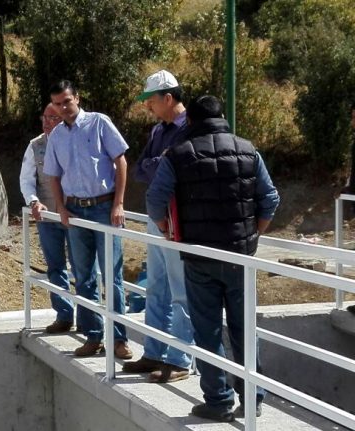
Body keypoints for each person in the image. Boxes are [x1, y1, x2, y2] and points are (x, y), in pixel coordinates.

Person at [146, 95, 280, 422]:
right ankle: (252, 398)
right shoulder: (249, 150)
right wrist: (254, 236)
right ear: (223, 117)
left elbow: (155, 199)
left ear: (189, 121)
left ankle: (218, 402)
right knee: (244, 329)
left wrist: (166, 229)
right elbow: (270, 199)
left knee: (206, 331)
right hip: (240, 258)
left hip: (199, 257)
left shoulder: (178, 155)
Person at [43, 80, 132, 359]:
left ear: (77, 99)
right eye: (57, 104)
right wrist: (61, 208)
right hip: (76, 211)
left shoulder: (99, 123)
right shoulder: (56, 136)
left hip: (104, 208)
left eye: (66, 101)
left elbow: (121, 162)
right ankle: (94, 336)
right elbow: (53, 176)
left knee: (112, 276)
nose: (63, 108)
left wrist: (118, 203)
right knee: (83, 277)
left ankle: (119, 339)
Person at [123, 70, 194, 383]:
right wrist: (160, 162)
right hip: (158, 216)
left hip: (179, 219)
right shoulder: (157, 132)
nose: (147, 106)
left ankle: (180, 358)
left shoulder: (191, 129)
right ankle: (154, 352)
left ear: (168, 98)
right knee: (156, 287)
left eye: (150, 100)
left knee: (180, 290)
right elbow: (142, 169)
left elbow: (175, 169)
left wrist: (160, 164)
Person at [20, 103, 75, 333]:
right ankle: (64, 315)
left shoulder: (75, 141)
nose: (46, 121)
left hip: (75, 217)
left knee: (83, 268)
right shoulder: (35, 146)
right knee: (55, 267)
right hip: (48, 217)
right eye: (44, 117)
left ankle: (89, 319)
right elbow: (26, 180)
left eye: (52, 117)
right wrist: (34, 201)